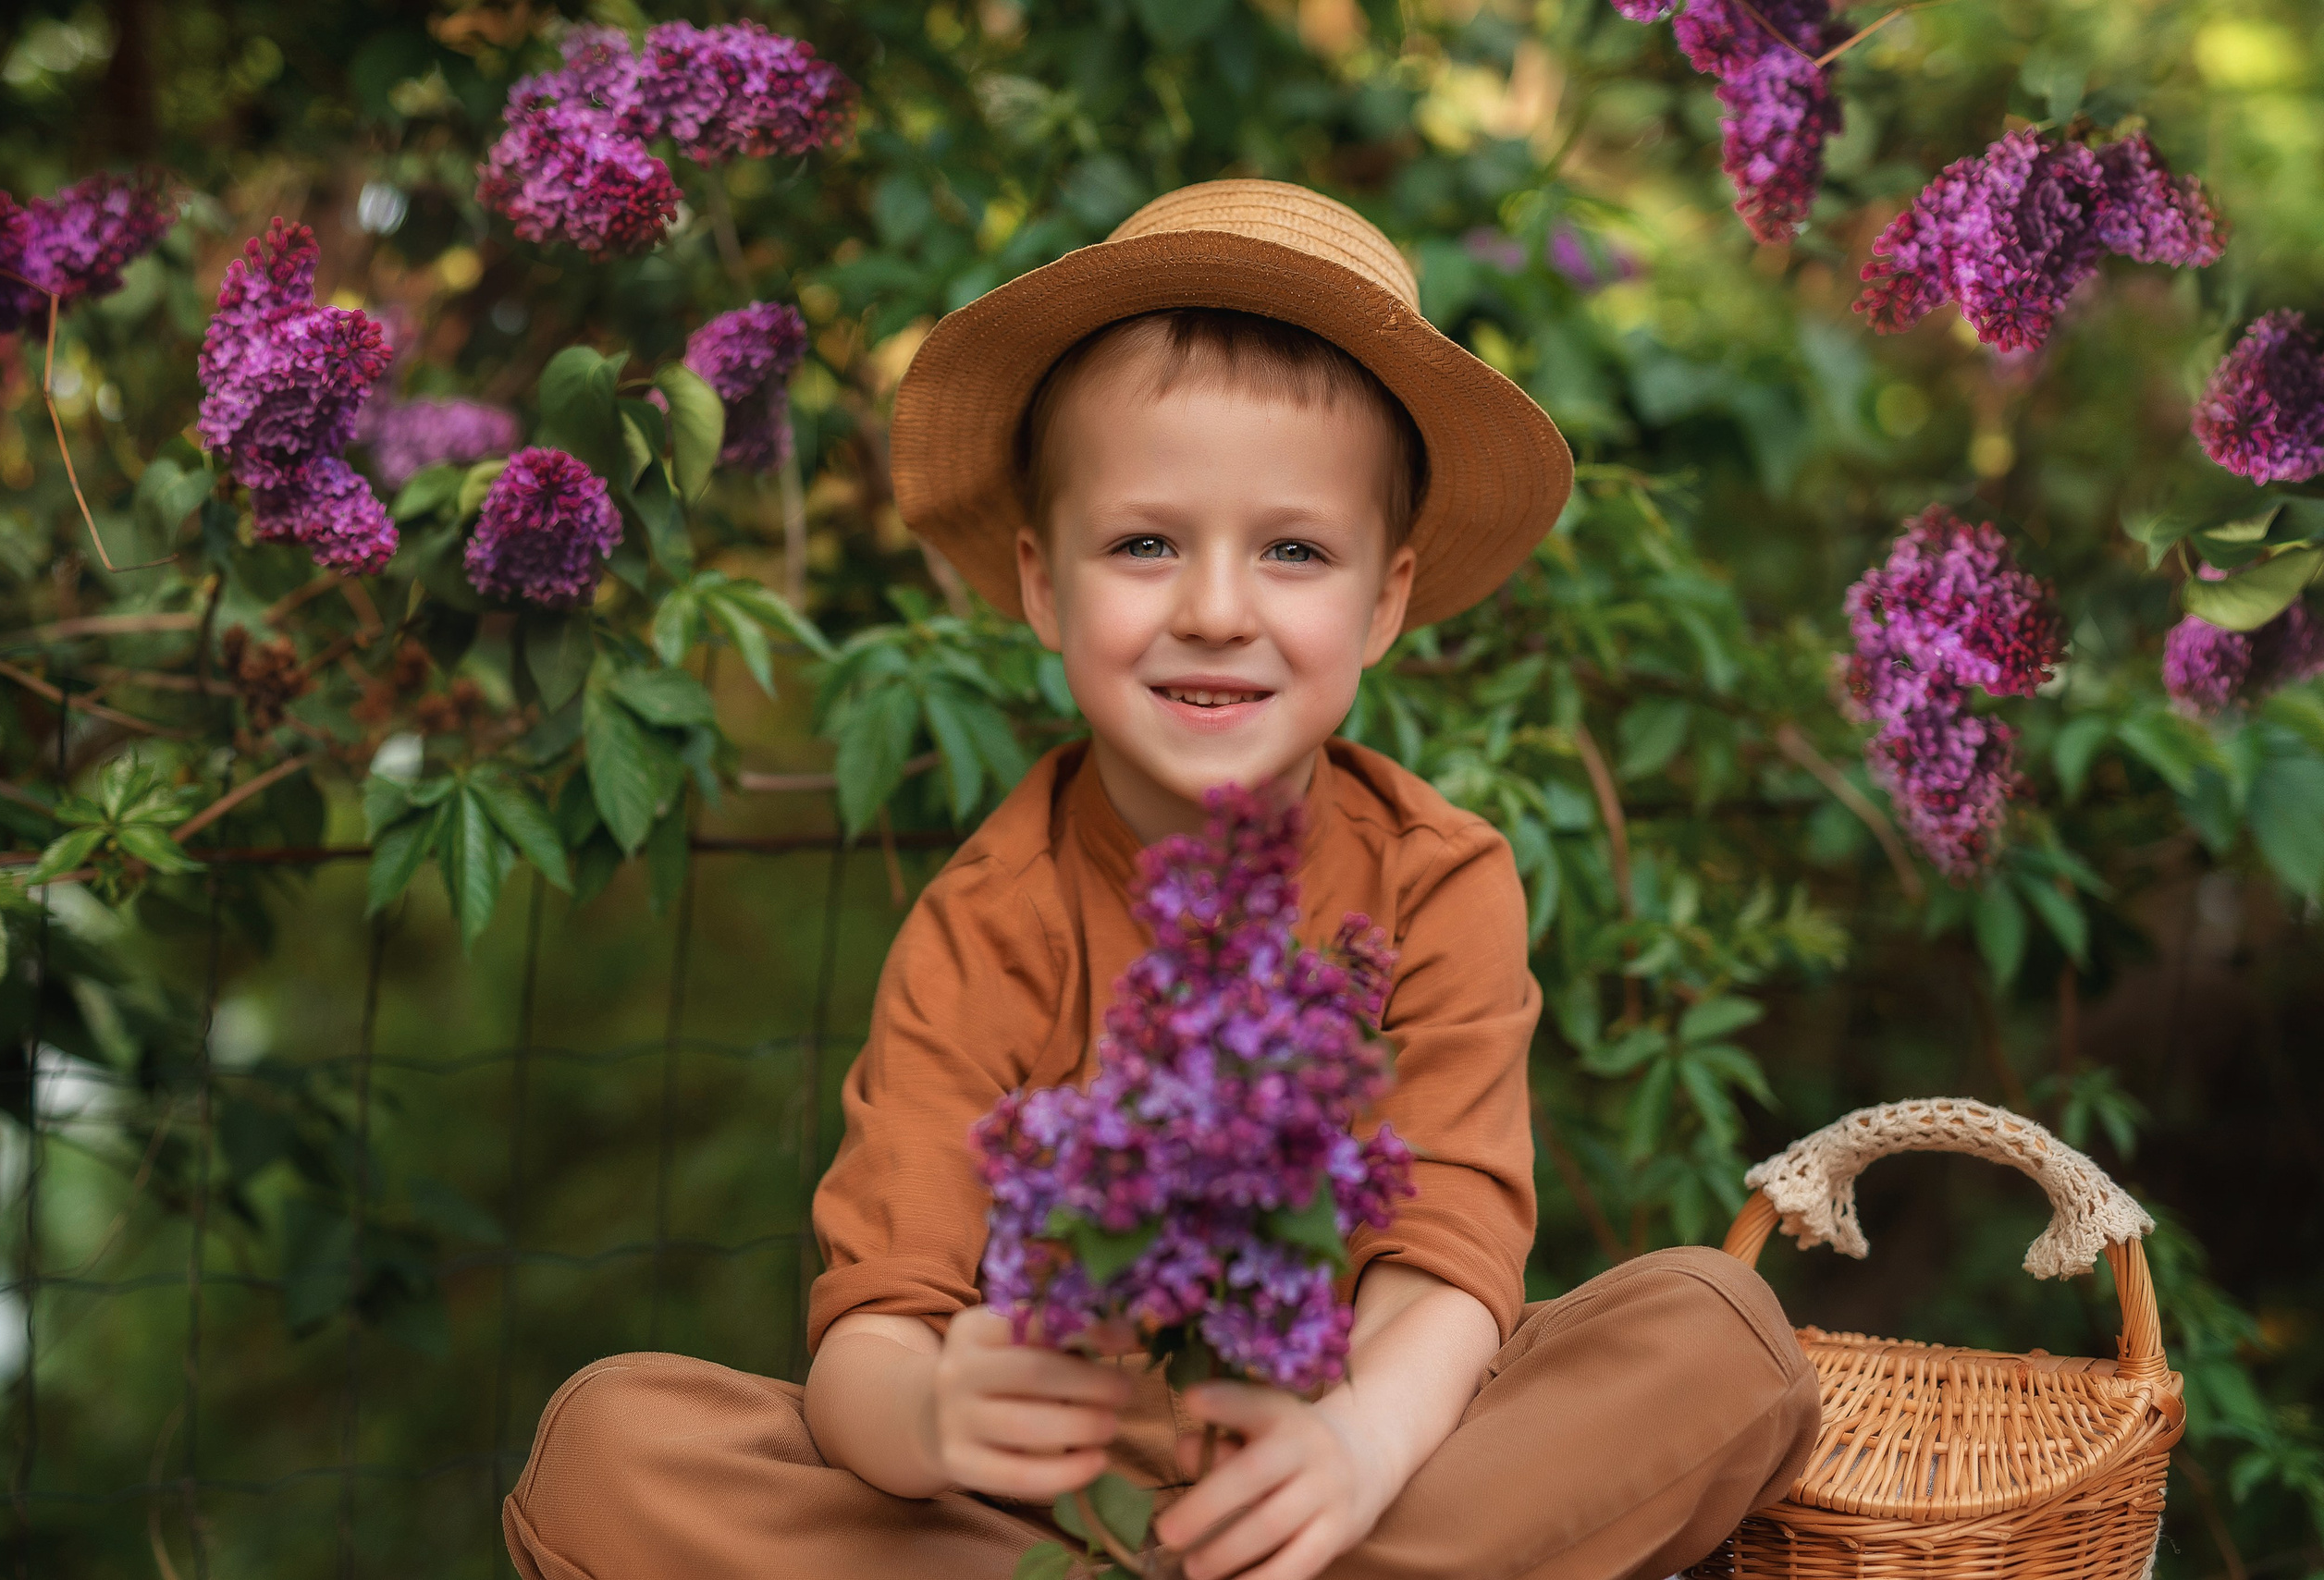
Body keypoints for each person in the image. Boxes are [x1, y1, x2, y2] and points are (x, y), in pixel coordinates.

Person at [503, 179, 1819, 1580]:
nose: (1213, 608)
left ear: (1382, 601)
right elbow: (872, 1333)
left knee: (1713, 1332)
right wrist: (938, 1413)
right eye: (1146, 541)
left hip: (1358, 1481)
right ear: (1041, 580)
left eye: (1294, 549)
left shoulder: (1439, 878)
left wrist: (1359, 1451)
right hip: (1039, 1517)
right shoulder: (987, 915)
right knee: (610, 1448)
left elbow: (1448, 1263)